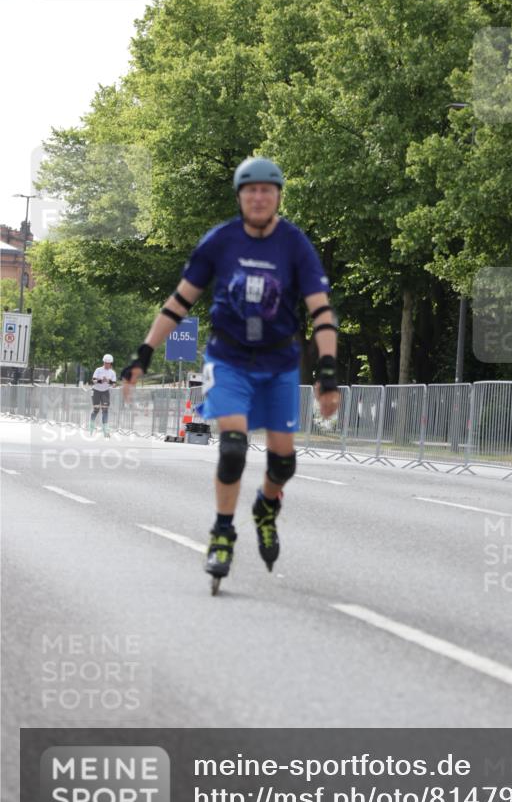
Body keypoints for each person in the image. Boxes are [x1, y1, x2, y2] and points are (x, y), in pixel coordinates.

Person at [121, 157, 339, 583]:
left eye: (266, 190)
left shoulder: (295, 244)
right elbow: (179, 302)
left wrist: (327, 369)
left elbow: (321, 311)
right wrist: (144, 353)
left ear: (278, 197)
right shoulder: (220, 241)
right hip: (230, 359)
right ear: (240, 197)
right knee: (233, 448)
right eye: (250, 190)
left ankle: (266, 505)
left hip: (278, 363)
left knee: (283, 464)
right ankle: (222, 532)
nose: (258, 198)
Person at [89, 353, 116, 437]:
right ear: (103, 362)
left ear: (111, 363)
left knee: (105, 410)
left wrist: (108, 381)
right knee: (96, 409)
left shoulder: (112, 372)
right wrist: (101, 380)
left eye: (108, 363)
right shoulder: (98, 370)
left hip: (105, 392)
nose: (107, 364)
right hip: (96, 391)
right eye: (105, 363)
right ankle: (91, 425)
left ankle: (105, 430)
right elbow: (93, 380)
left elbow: (114, 384)